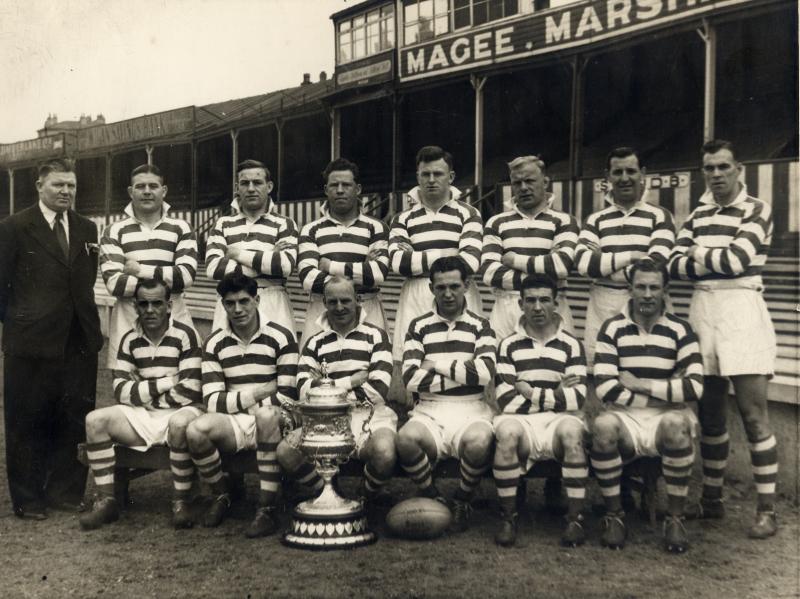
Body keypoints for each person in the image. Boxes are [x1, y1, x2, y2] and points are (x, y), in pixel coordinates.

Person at [668, 139, 779, 539]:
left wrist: (695, 252)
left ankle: (767, 509)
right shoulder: (697, 213)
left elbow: (737, 262)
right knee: (711, 415)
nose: (716, 174)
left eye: (723, 167)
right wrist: (703, 257)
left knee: (753, 416)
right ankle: (712, 499)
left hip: (743, 310)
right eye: (709, 168)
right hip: (704, 311)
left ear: (739, 170)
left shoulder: (757, 209)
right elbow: (675, 266)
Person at [0, 158, 103, 519]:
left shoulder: (87, 228)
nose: (66, 192)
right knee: (27, 420)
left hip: (78, 341)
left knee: (73, 417)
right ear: (40, 186)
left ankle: (64, 490)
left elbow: (84, 281)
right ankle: (28, 498)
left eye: (71, 186)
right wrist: (18, 326)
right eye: (58, 185)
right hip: (30, 344)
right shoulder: (14, 228)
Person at [591, 259, 702, 552]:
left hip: (666, 417)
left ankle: (675, 519)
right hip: (626, 417)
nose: (648, 294)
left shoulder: (681, 329)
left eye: (655, 287)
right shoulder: (612, 328)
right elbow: (604, 386)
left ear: (666, 290)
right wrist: (668, 392)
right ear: (630, 289)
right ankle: (614, 515)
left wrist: (641, 384)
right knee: (602, 426)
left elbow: (695, 386)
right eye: (641, 287)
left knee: (676, 423)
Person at [79, 280, 203, 530]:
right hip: (144, 414)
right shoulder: (129, 339)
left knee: (179, 423)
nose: (150, 309)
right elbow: (121, 391)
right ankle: (107, 500)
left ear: (169, 306)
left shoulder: (186, 335)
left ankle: (181, 501)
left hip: (182, 412)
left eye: (157, 303)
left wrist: (143, 391)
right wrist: (168, 381)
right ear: (135, 306)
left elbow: (190, 389)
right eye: (143, 304)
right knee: (95, 420)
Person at [186, 273, 298, 538]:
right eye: (230, 303)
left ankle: (266, 509)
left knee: (267, 415)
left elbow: (288, 396)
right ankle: (222, 495)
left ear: (257, 300)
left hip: (274, 419)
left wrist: (241, 403)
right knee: (196, 431)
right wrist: (257, 393)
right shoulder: (214, 342)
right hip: (238, 419)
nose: (238, 309)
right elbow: (212, 400)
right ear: (222, 305)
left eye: (244, 301)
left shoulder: (282, 337)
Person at [396, 256, 496, 532]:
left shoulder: (481, 326)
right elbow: (412, 379)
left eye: (454, 286)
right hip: (429, 409)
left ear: (466, 285)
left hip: (471, 408)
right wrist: (465, 374)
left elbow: (485, 374)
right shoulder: (418, 325)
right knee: (405, 439)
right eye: (441, 287)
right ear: (431, 288)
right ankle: (432, 495)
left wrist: (436, 365)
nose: (448, 293)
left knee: (479, 441)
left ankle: (463, 499)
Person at [278, 276, 396, 504]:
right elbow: (303, 390)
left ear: (358, 300)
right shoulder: (314, 342)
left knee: (385, 452)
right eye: (333, 302)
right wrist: (351, 381)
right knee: (286, 451)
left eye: (345, 300)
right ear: (324, 302)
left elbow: (378, 390)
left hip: (369, 417)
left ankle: (365, 497)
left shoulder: (376, 336)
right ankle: (329, 493)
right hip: (326, 418)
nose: (339, 307)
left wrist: (324, 386)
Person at [492, 274, 588, 548]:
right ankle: (509, 517)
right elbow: (506, 402)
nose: (537, 307)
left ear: (556, 303)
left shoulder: (571, 344)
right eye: (531, 300)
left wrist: (530, 391)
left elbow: (578, 398)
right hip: (521, 421)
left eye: (544, 300)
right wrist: (556, 393)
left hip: (559, 421)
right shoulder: (508, 345)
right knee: (507, 433)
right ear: (520, 303)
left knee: (572, 432)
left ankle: (574, 519)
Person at [575, 147, 675, 366]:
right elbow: (583, 264)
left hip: (645, 305)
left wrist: (605, 261)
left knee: (647, 371)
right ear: (607, 176)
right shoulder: (595, 219)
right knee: (600, 375)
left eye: (631, 171)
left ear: (642, 173)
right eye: (617, 172)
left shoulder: (660, 215)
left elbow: (655, 267)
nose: (624, 178)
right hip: (602, 305)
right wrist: (632, 256)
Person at [388, 146, 483, 364]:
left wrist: (418, 256)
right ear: (417, 177)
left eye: (438, 174)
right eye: (425, 174)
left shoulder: (468, 213)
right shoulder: (403, 219)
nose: (431, 180)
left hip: (458, 292)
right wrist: (449, 253)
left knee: (463, 358)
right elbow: (398, 263)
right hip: (416, 292)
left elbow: (470, 262)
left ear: (450, 177)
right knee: (416, 362)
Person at [100, 164, 197, 366]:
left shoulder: (182, 228)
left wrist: (139, 270)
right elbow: (115, 284)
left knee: (180, 386)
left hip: (174, 318)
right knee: (129, 389)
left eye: (153, 186)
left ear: (164, 190)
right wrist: (165, 279)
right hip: (128, 320)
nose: (146, 191)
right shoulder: (114, 230)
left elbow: (185, 277)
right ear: (130, 191)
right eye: (140, 186)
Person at [481, 155, 579, 340]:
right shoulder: (496, 222)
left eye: (530, 181)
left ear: (545, 182)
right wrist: (544, 277)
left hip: (550, 306)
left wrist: (514, 260)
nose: (523, 188)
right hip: (506, 308)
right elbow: (489, 272)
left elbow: (561, 265)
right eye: (517, 183)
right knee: (500, 365)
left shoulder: (564, 220)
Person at [297, 158, 389, 346]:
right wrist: (361, 268)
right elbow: (307, 278)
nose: (340, 190)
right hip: (321, 307)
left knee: (370, 369)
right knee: (317, 370)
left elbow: (377, 274)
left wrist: (330, 266)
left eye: (346, 184)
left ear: (358, 189)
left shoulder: (376, 227)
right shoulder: (311, 229)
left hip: (367, 307)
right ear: (326, 190)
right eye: (334, 185)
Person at [205, 159, 298, 338]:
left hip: (273, 300)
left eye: (257, 182)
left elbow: (284, 266)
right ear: (237, 187)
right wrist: (269, 256)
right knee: (228, 359)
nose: (250, 188)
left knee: (279, 358)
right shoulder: (223, 223)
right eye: (244, 183)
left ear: (269, 186)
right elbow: (213, 268)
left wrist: (236, 254)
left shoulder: (284, 223)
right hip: (231, 300)